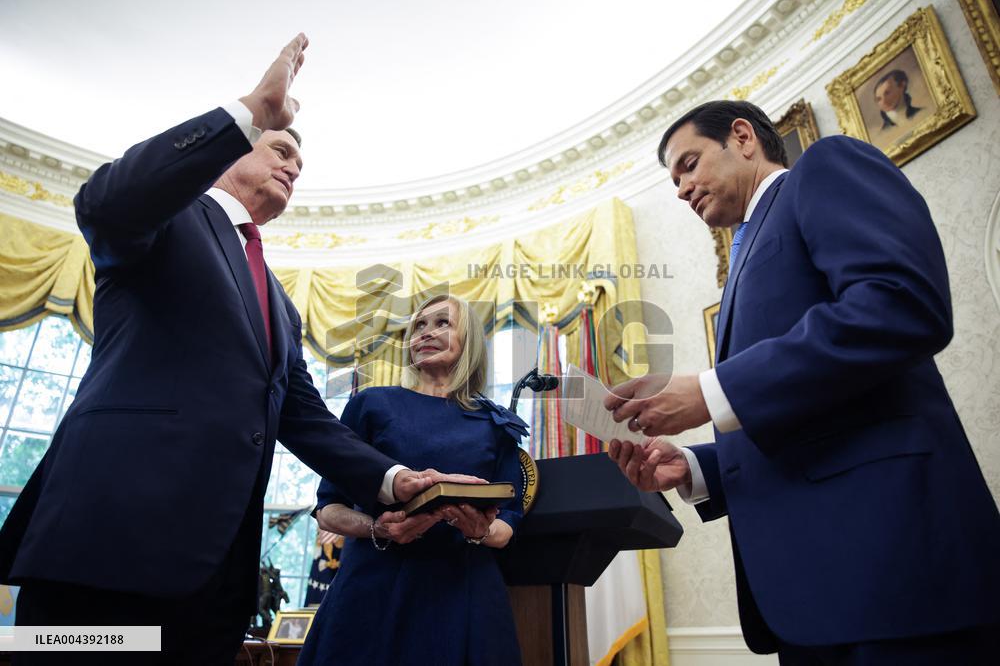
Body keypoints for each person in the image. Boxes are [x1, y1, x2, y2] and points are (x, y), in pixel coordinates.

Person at [0, 34, 475, 664]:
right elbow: (107, 201)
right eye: (279, 151)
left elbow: (302, 418)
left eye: (298, 167)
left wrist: (394, 478)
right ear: (230, 152)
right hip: (105, 548)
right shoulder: (168, 217)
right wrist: (252, 109)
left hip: (213, 580)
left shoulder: (280, 301)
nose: (292, 168)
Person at [603, 100, 1000, 664]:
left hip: (894, 572)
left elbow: (901, 304)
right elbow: (809, 416)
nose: (681, 188)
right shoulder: (742, 253)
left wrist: (712, 392)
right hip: (810, 599)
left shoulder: (823, 169)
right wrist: (695, 467)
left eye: (688, 164)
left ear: (742, 137)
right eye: (673, 179)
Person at [298, 294, 525, 666]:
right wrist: (380, 529)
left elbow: (509, 522)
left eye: (441, 323)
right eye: (418, 326)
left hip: (464, 588)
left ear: (468, 340)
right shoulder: (370, 405)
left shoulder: (496, 424)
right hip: (376, 583)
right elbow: (328, 510)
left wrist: (480, 531)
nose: (426, 333)